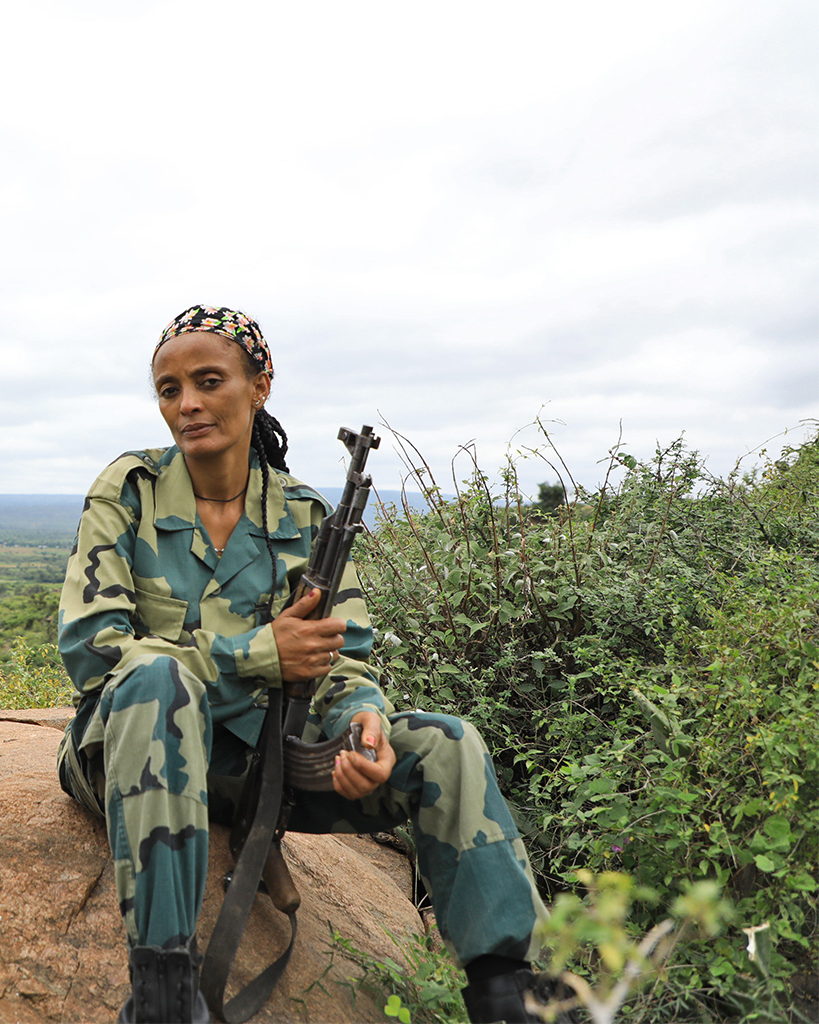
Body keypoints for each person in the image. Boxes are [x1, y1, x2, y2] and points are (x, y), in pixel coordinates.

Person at [55, 305, 556, 1024]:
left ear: (259, 385)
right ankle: (164, 993)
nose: (187, 404)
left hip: (264, 767)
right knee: (154, 679)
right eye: (169, 390)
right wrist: (260, 654)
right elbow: (95, 651)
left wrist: (362, 729)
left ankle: (513, 994)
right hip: (135, 751)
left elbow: (344, 663)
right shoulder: (128, 491)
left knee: (446, 745)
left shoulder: (301, 514)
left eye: (207, 381)